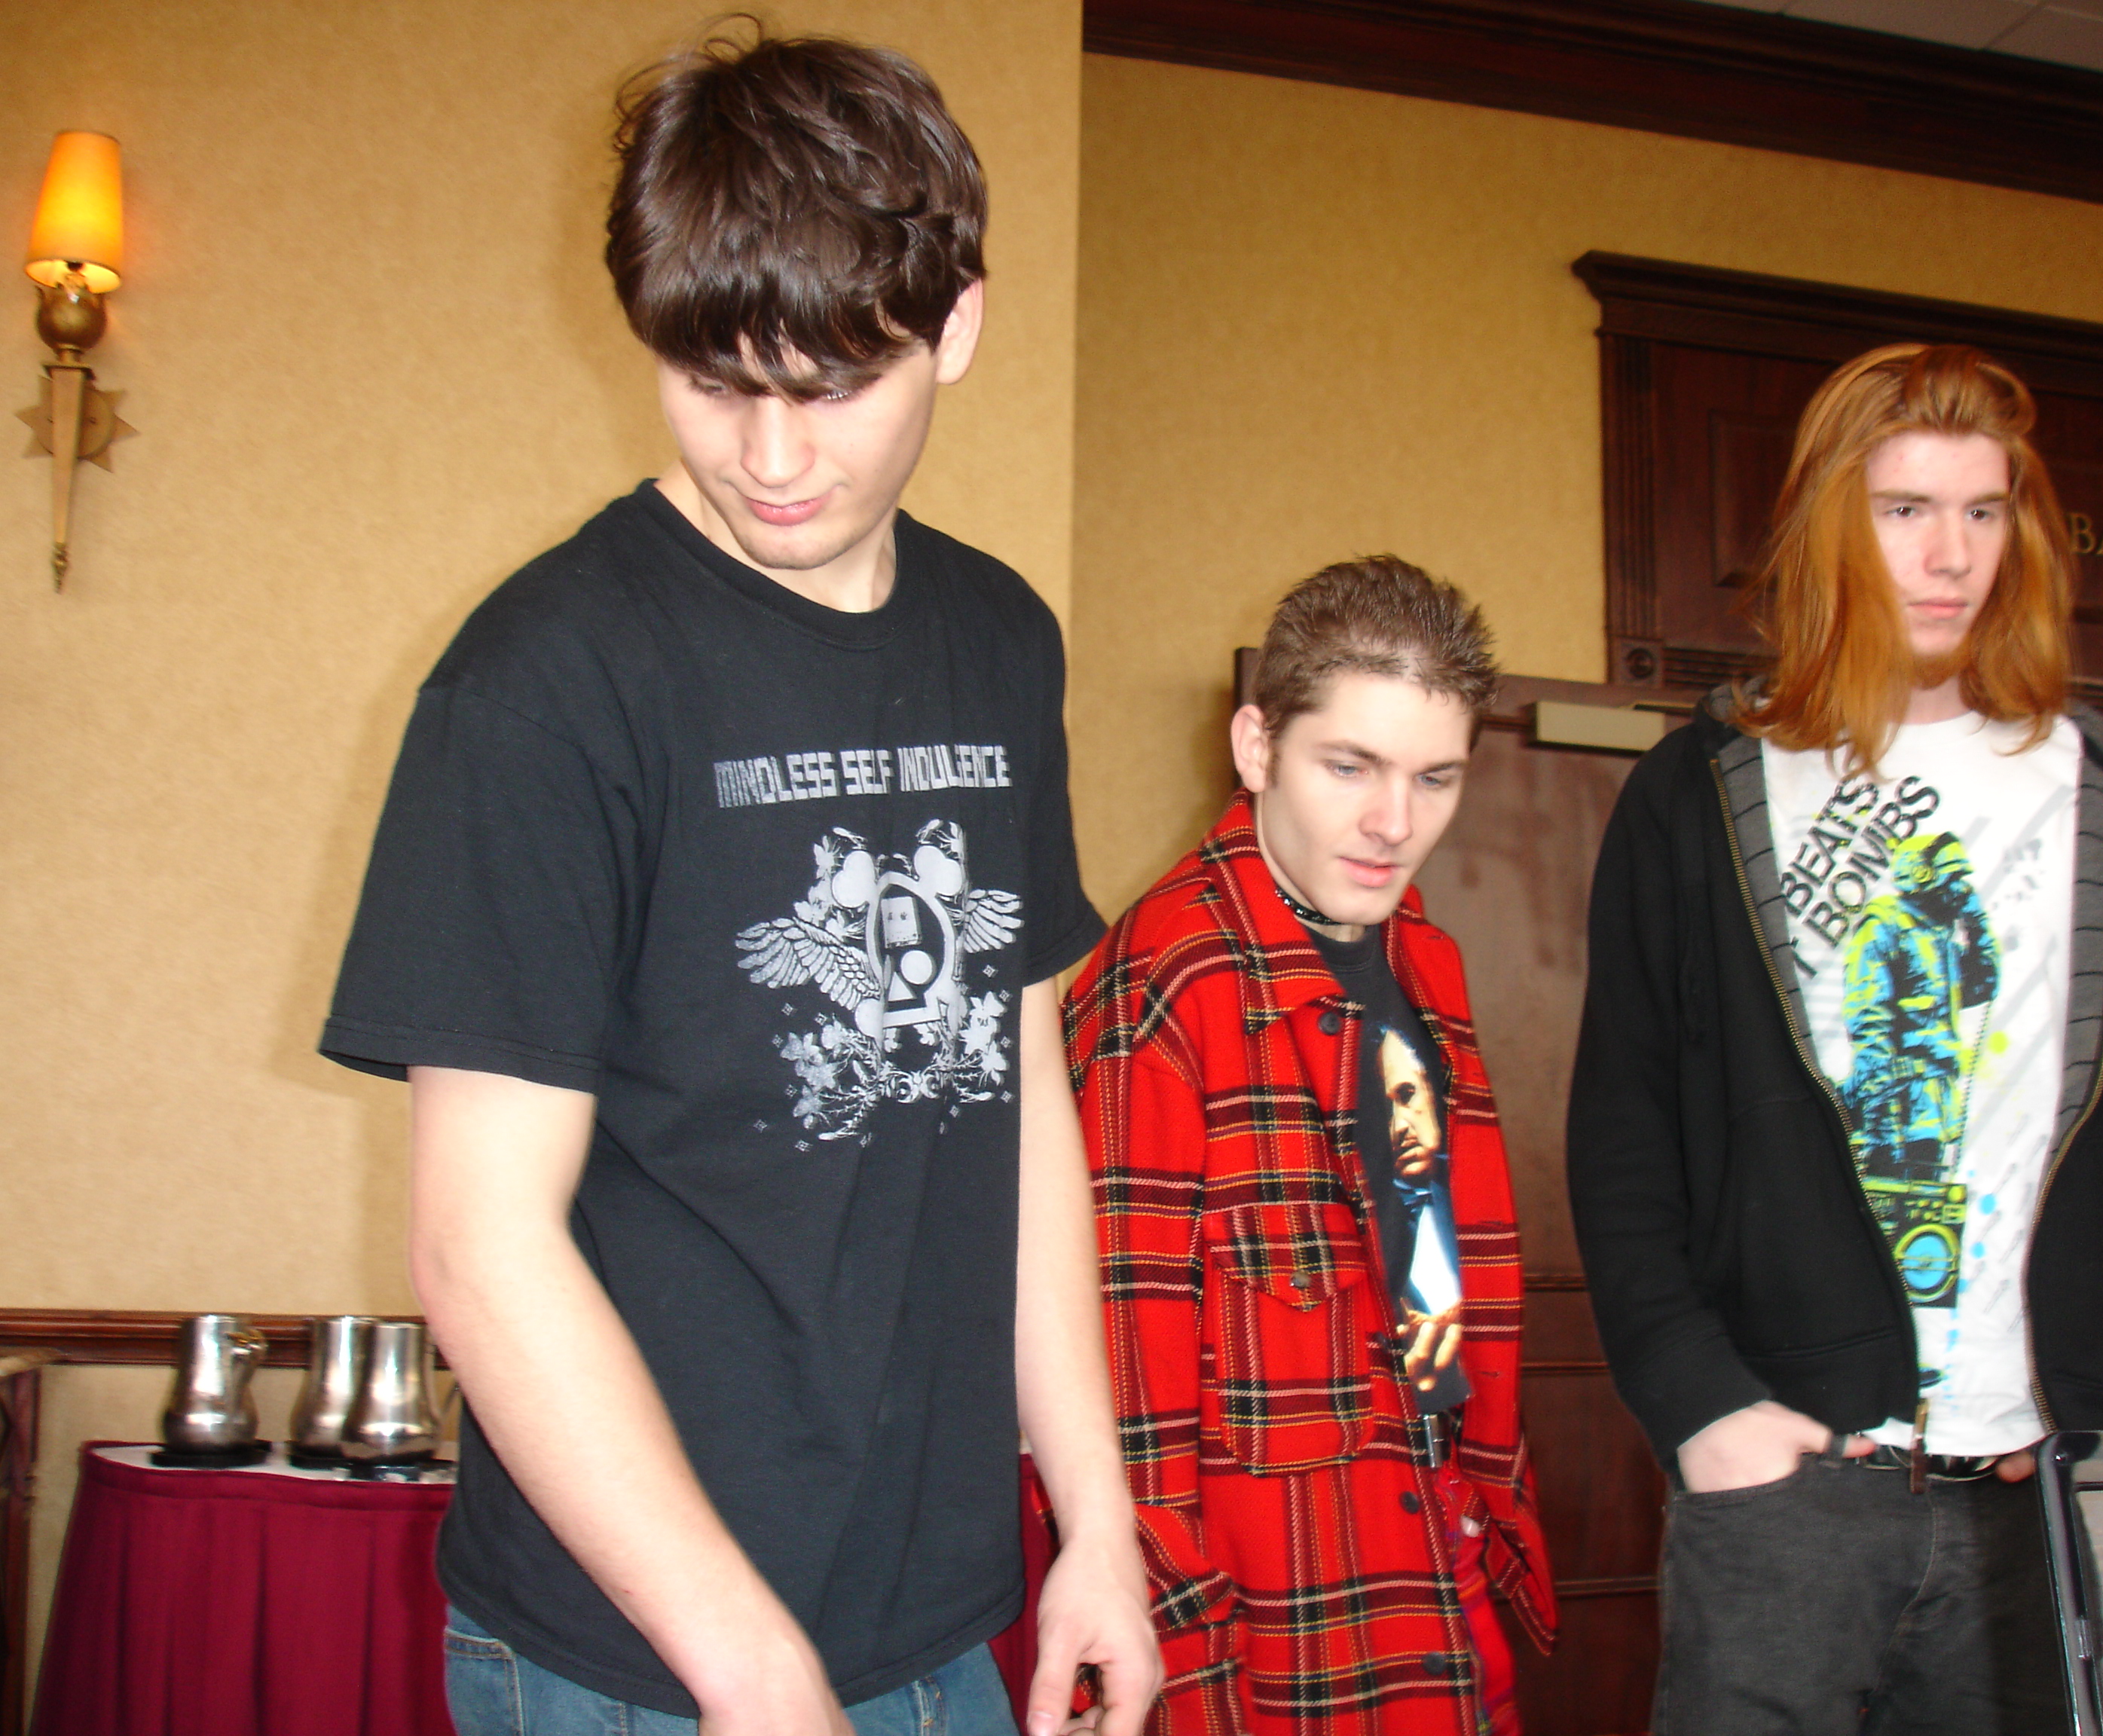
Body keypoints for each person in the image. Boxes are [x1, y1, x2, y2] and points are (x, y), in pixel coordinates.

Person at [320, 26, 1156, 1736]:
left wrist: (1095, 1515)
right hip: (634, 1656)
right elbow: (479, 1245)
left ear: (957, 326)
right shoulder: (546, 680)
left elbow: (1017, 1098)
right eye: (714, 383)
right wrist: (749, 1666)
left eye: (834, 388)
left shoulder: (1000, 642)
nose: (772, 458)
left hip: (938, 1620)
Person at [1567, 342, 2103, 1735]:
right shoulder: (1700, 790)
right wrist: (1704, 1408)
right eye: (1905, 510)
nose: (1951, 556)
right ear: (1833, 524)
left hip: (2046, 1493)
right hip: (1789, 1486)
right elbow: (1623, 1137)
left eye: (1984, 511)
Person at [1065, 558, 1557, 1735]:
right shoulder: (1161, 992)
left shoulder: (1426, 960)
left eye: (1435, 778)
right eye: (1351, 766)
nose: (1396, 823)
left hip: (1449, 1564)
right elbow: (1122, 1414)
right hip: (1273, 1631)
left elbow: (1445, 1285)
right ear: (1257, 747)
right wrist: (1177, 1678)